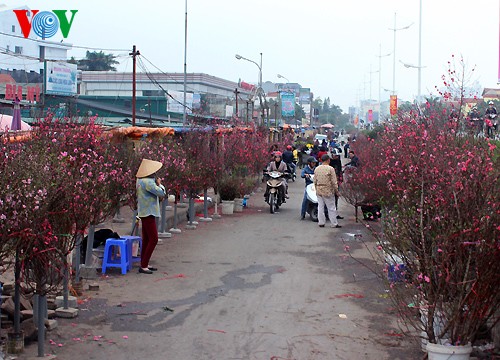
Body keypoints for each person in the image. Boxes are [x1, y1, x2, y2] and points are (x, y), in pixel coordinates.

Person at [136, 159, 166, 274]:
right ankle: (144, 265)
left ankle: (144, 262)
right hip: (149, 212)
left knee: (147, 238)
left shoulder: (139, 181)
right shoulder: (148, 182)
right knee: (153, 238)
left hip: (143, 211)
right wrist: (160, 184)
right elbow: (161, 193)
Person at [313, 153, 341, 228]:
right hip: (328, 190)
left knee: (320, 207)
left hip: (319, 189)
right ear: (328, 160)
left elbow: (314, 180)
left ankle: (321, 222)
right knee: (331, 207)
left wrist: (316, 188)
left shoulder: (317, 168)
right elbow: (334, 181)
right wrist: (337, 191)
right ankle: (334, 223)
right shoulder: (330, 169)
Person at [329, 148, 344, 220]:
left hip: (337, 181)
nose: (336, 157)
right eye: (335, 155)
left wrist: (341, 178)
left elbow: (340, 170)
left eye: (337, 156)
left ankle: (335, 213)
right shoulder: (329, 162)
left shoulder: (338, 161)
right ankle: (329, 213)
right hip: (330, 182)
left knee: (336, 198)